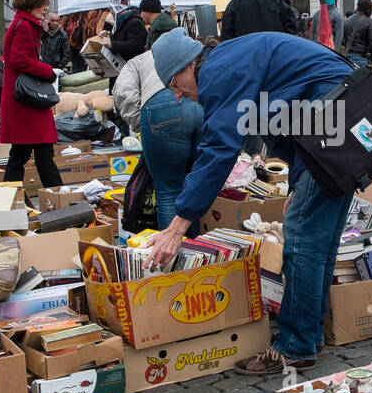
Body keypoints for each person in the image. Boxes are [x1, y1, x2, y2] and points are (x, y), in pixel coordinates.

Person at [146, 29, 354, 374]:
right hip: (337, 117)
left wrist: (178, 225)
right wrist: (297, 184)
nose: (179, 95)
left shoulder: (218, 73)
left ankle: (294, 347)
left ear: (187, 67)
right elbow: (286, 123)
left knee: (302, 243)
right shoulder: (227, 61)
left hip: (336, 116)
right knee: (318, 242)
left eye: (174, 84)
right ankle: (309, 336)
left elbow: (219, 150)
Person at [135, 43, 204, 232]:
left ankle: (176, 256)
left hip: (158, 108)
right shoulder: (195, 59)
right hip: (197, 106)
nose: (177, 94)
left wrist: (136, 123)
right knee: (193, 185)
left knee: (168, 190)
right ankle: (195, 252)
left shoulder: (137, 61)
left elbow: (123, 93)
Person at [0, 0, 64, 187]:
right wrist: (47, 70)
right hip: (27, 98)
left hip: (22, 97)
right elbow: (19, 59)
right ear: (33, 4)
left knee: (21, 153)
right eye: (43, 3)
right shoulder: (25, 26)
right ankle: (61, 198)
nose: (46, 7)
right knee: (41, 152)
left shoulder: (21, 24)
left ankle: (9, 197)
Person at [112, 50, 166, 132]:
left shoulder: (135, 64)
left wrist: (138, 123)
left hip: (155, 109)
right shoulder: (184, 51)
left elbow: (124, 92)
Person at [100, 1, 148, 66]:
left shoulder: (135, 22)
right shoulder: (121, 21)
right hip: (124, 65)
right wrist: (109, 36)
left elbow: (135, 45)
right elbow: (122, 38)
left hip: (132, 66)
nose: (111, 12)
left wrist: (112, 44)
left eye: (112, 9)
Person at [342, 0, 372, 67]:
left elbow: (343, 40)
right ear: (369, 8)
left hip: (347, 58)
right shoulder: (369, 21)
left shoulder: (347, 20)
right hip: (362, 59)